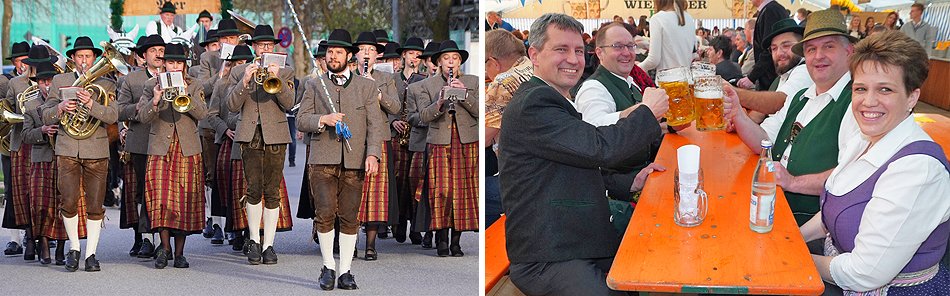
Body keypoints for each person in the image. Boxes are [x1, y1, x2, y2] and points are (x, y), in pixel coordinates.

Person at [499, 13, 668, 295]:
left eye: (578, 50)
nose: (574, 59)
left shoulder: (552, 97)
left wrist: (630, 183)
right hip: (546, 255)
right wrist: (646, 113)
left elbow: (572, 167)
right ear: (534, 55)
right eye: (561, 49)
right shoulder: (535, 102)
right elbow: (598, 148)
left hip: (573, 237)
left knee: (646, 264)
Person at [801, 30, 950, 295]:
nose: (868, 102)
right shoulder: (863, 139)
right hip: (838, 266)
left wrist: (794, 259)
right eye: (860, 88)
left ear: (912, 97)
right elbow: (830, 213)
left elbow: (863, 274)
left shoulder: (918, 169)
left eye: (885, 89)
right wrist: (795, 238)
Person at [723, 8, 859, 226]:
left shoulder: (856, 102)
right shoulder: (799, 98)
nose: (818, 56)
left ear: (849, 51)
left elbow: (854, 175)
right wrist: (738, 113)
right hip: (772, 205)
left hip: (810, 222)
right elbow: (764, 141)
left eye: (829, 47)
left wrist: (793, 182)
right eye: (811, 49)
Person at [297, 28, 386, 290]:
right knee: (324, 214)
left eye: (338, 52)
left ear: (350, 55)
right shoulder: (314, 84)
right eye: (329, 52)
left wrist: (373, 154)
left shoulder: (367, 87)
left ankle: (346, 271)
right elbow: (301, 119)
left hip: (355, 160)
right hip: (322, 160)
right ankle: (328, 266)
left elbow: (375, 124)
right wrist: (322, 120)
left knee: (350, 217)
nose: (333, 56)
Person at [41, 36, 119, 272]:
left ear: (95, 58)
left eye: (88, 56)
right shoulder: (60, 80)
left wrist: (92, 105)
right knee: (68, 201)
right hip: (67, 148)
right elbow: (45, 115)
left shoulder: (106, 84)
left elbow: (113, 117)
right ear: (72, 59)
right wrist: (60, 108)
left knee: (95, 205)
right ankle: (74, 248)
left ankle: (91, 254)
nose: (84, 61)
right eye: (80, 56)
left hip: (96, 149)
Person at [576, 21, 668, 201]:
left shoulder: (630, 82)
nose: (627, 53)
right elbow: (595, 131)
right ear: (600, 53)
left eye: (630, 46)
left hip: (646, 172)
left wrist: (669, 126)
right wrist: (646, 109)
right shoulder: (593, 88)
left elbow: (644, 126)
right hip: (619, 191)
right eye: (617, 46)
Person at [227, 24, 295, 265]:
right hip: (249, 134)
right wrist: (245, 81)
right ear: (253, 47)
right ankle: (254, 240)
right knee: (253, 189)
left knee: (272, 192)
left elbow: (289, 104)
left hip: (276, 135)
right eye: (260, 45)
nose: (265, 49)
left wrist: (277, 78)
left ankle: (269, 245)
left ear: (274, 47)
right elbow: (232, 106)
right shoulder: (240, 72)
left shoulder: (286, 72)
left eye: (269, 45)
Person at [137, 43, 208, 269]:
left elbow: (203, 113)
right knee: (161, 201)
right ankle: (164, 249)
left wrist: (188, 96)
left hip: (187, 148)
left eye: (179, 62)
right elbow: (143, 117)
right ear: (164, 63)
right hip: (160, 148)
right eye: (171, 62)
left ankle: (180, 253)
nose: (175, 66)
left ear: (184, 65)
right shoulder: (152, 85)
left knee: (185, 201)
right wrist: (156, 100)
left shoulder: (194, 84)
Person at [23, 60, 86, 266]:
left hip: (64, 158)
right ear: (37, 83)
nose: (47, 84)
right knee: (40, 205)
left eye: (50, 80)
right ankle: (43, 245)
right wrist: (42, 131)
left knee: (64, 203)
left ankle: (61, 247)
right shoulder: (31, 104)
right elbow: (25, 135)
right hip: (41, 160)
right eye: (42, 81)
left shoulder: (68, 98)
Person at [352, 31, 402, 260]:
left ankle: (370, 245)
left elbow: (395, 108)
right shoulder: (348, 75)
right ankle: (349, 241)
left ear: (376, 56)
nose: (367, 54)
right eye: (363, 50)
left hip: (379, 137)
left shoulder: (384, 77)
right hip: (351, 138)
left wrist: (378, 93)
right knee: (352, 191)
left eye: (371, 50)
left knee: (375, 194)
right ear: (355, 54)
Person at [3, 44, 54, 261]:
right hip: (21, 142)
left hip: (44, 142)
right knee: (23, 193)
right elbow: (7, 110)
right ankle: (30, 238)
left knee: (42, 193)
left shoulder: (53, 80)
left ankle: (43, 236)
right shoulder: (15, 83)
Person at [116, 34, 165, 258]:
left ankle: (163, 239)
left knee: (163, 193)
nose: (158, 54)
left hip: (166, 143)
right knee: (141, 193)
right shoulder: (131, 80)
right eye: (153, 50)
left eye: (161, 50)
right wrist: (136, 109)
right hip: (140, 141)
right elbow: (119, 110)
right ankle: (145, 238)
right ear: (143, 56)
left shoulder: (175, 76)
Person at [484, 30, 533, 226]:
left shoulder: (502, 81)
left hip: (524, 182)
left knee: (474, 190)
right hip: (545, 171)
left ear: (493, 62)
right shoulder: (534, 68)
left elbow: (485, 138)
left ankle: (491, 250)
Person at [732, 18, 812, 117]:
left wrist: (731, 92)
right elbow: (763, 110)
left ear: (801, 46)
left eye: (786, 46)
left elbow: (778, 102)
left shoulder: (804, 70)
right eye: (774, 48)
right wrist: (742, 122)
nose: (779, 53)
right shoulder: (782, 77)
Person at [1, 41, 29, 256]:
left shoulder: (42, 79)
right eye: (20, 61)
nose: (23, 64)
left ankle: (36, 233)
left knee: (37, 189)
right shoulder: (7, 81)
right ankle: (14, 239)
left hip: (37, 142)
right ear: (13, 62)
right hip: (12, 143)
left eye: (26, 60)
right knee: (12, 188)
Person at [737, 0, 787, 91]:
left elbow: (768, 50)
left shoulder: (771, 11)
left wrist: (751, 77)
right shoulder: (770, 10)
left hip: (772, 79)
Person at [636, 0, 695, 72]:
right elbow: (693, 53)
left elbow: (654, 60)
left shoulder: (658, 18)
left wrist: (638, 67)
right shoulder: (688, 17)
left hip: (667, 79)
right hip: (687, 77)